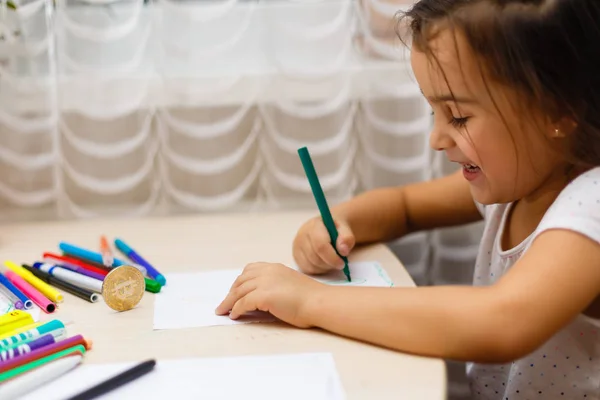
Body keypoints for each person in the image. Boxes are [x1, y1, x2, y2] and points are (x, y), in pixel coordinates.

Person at [216, 0, 600, 398]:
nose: (436, 139)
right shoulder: (520, 181)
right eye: (432, 110)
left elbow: (502, 322)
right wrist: (338, 223)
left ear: (557, 113)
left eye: (458, 116)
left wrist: (310, 300)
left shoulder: (590, 205)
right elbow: (404, 208)